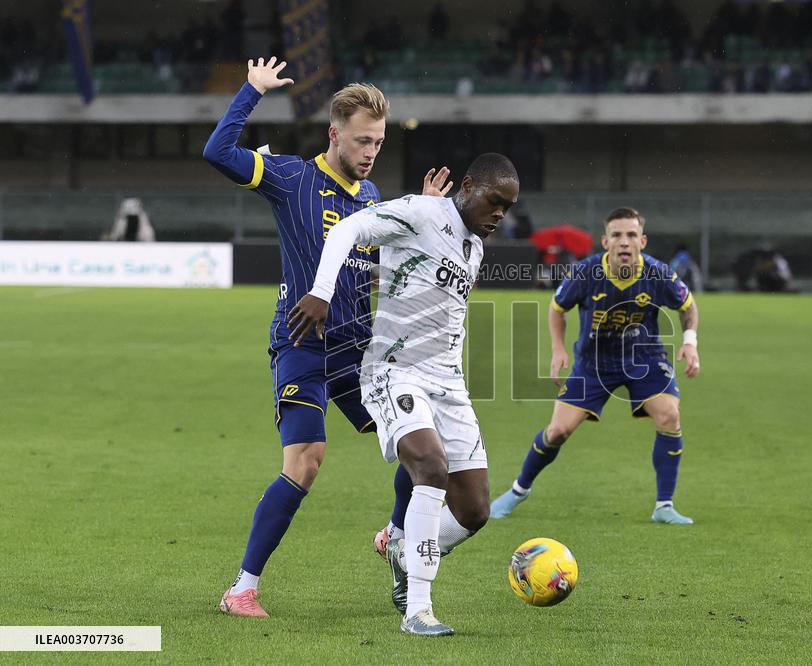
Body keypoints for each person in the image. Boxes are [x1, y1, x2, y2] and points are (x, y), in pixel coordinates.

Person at [203, 57, 451, 618]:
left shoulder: (372, 198)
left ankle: (393, 534)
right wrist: (251, 91)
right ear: (335, 133)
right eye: (363, 141)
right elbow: (217, 153)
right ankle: (242, 588)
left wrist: (429, 216)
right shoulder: (292, 178)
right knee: (306, 461)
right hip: (303, 344)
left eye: (379, 144)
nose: (370, 152)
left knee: (422, 447)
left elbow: (396, 266)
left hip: (361, 353)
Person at [288, 153, 520, 636]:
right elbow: (346, 230)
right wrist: (323, 291)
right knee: (429, 468)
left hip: (449, 383)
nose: (500, 213)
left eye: (508, 207)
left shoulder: (474, 247)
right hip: (396, 371)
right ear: (469, 186)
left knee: (475, 511)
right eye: (495, 202)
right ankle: (418, 608)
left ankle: (401, 547)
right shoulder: (420, 211)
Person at [490, 207, 701, 525]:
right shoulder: (585, 273)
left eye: (631, 235)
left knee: (670, 415)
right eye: (617, 235)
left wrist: (689, 342)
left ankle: (664, 506)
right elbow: (556, 309)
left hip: (644, 358)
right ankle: (518, 490)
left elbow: (688, 307)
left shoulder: (659, 274)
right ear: (605, 241)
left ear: (642, 241)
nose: (624, 242)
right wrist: (558, 349)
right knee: (558, 431)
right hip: (593, 362)